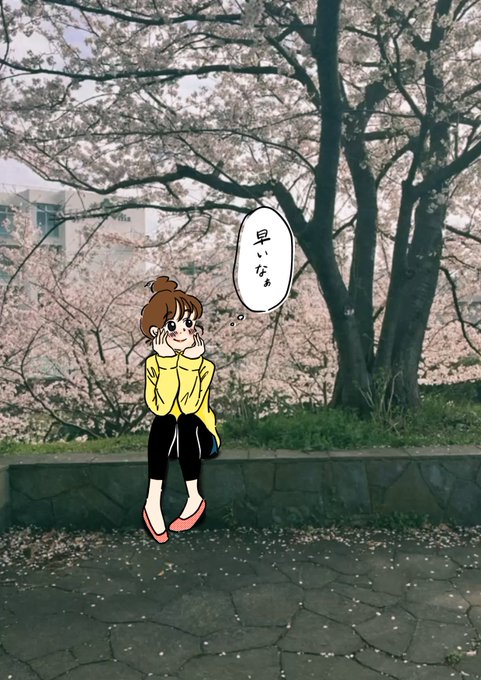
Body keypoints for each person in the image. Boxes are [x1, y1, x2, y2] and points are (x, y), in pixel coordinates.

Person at [139, 276, 220, 543]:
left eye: (188, 323)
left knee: (186, 420)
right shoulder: (154, 365)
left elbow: (190, 405)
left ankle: (194, 497)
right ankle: (152, 502)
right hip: (168, 441)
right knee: (163, 421)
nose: (183, 331)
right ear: (157, 332)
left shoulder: (204, 367)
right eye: (172, 325)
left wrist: (188, 364)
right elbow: (160, 406)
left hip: (199, 439)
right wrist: (166, 363)